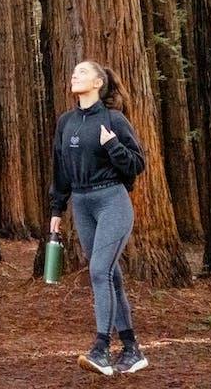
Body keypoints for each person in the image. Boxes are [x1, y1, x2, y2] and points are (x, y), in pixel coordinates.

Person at [49, 61, 149, 376]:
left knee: (98, 271)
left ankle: (102, 348)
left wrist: (113, 145)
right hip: (81, 203)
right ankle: (132, 349)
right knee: (110, 275)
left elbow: (137, 163)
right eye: (74, 72)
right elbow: (60, 169)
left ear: (97, 82)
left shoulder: (113, 120)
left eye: (82, 72)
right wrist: (56, 209)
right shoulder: (66, 122)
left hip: (112, 201)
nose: (74, 75)